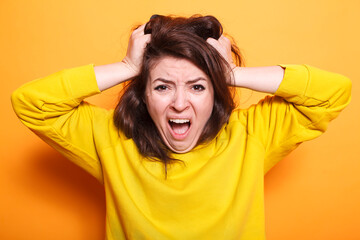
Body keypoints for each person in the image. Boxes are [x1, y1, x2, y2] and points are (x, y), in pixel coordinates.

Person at [11, 15, 351, 239]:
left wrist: (230, 74)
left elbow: (332, 93)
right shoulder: (110, 139)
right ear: (143, 95)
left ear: (214, 92)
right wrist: (128, 65)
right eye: (162, 87)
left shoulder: (251, 136)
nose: (179, 103)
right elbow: (31, 103)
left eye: (198, 86)